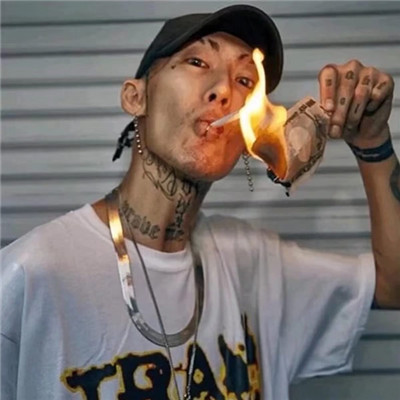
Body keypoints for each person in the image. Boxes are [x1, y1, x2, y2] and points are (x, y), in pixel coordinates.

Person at [1, 4, 399, 400]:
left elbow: (393, 286)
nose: (224, 90)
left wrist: (373, 142)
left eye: (245, 80)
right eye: (196, 62)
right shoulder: (34, 274)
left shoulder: (254, 264)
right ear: (136, 97)